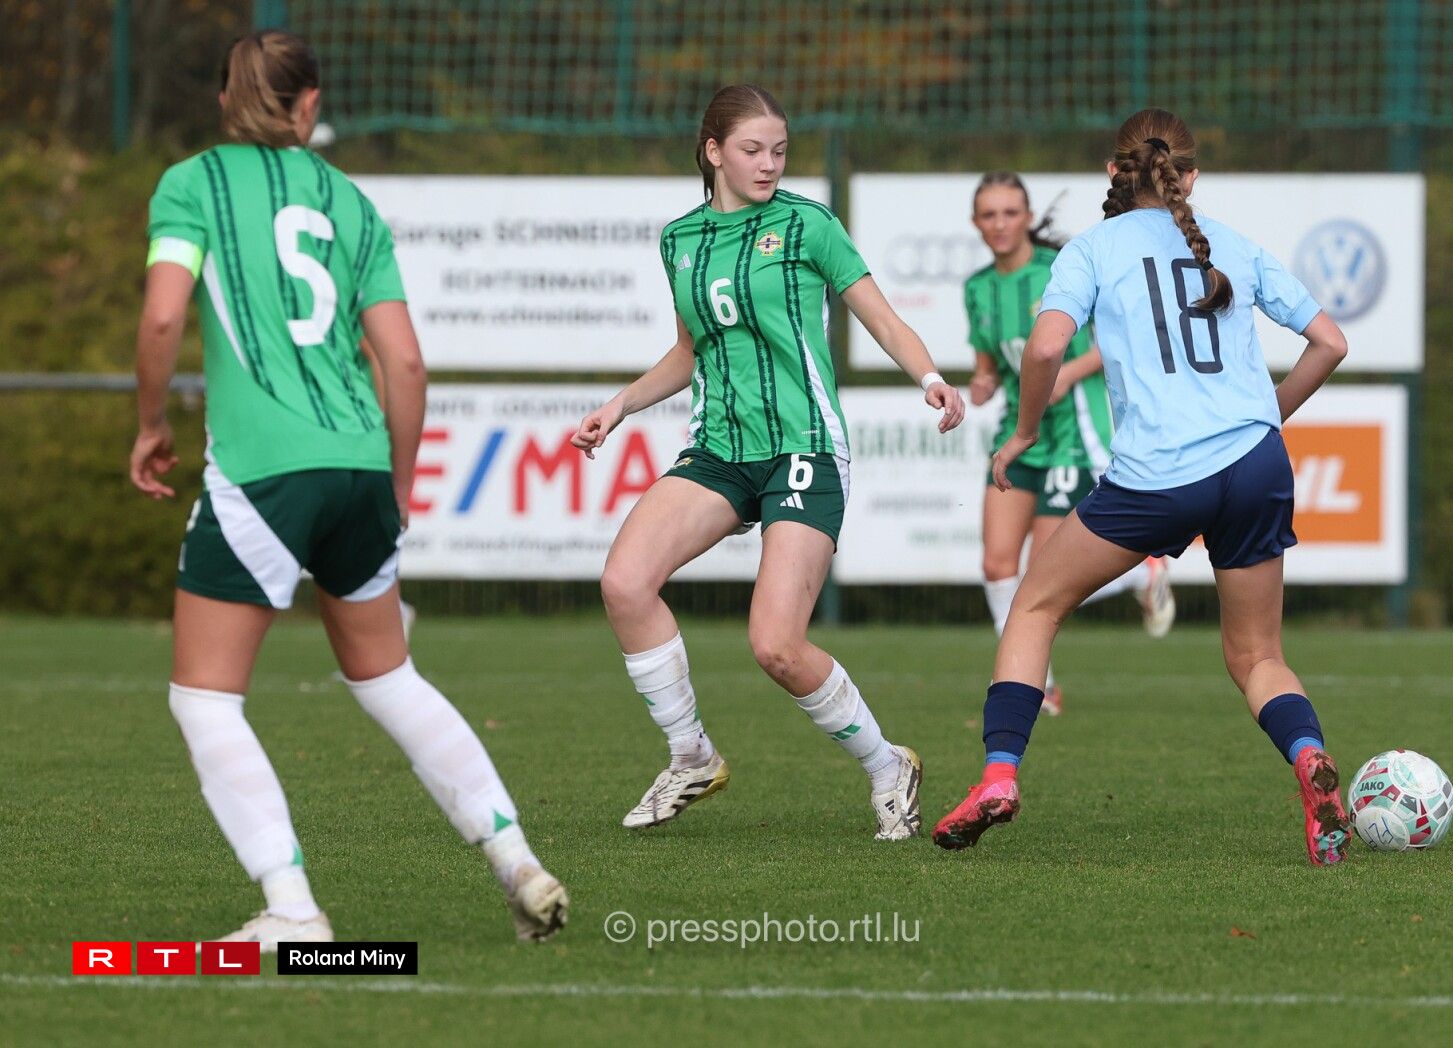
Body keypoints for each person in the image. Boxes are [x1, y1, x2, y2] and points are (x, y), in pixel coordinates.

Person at [130, 31, 566, 949]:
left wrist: (152, 423)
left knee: (204, 698)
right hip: (362, 461)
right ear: (310, 104)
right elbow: (404, 362)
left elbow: (164, 314)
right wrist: (397, 483)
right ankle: (517, 859)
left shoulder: (193, 183)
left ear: (225, 100)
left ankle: (293, 910)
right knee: (390, 677)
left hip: (263, 470)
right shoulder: (352, 203)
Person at [932, 109, 1353, 865]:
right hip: (1256, 463)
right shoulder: (1233, 243)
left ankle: (998, 777)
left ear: (1113, 173)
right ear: (1190, 175)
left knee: (1034, 604)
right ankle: (1308, 755)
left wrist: (1023, 433)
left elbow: (1046, 348)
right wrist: (1265, 419)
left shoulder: (1094, 248)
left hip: (1160, 473)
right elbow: (1330, 343)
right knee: (1257, 654)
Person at [573, 84, 965, 840]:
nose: (769, 163)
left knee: (776, 646)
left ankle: (888, 765)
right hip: (720, 450)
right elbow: (689, 351)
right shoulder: (680, 240)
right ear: (713, 151)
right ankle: (690, 755)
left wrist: (930, 378)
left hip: (803, 447)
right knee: (624, 582)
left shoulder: (807, 224)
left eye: (779, 150)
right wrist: (620, 405)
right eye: (752, 149)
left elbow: (882, 318)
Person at [964, 172, 1176, 716]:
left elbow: (1114, 340)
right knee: (997, 566)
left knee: (1043, 574)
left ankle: (1142, 573)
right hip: (1019, 434)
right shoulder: (978, 288)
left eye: (1010, 212)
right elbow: (989, 366)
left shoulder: (1060, 268)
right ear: (976, 223)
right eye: (989, 215)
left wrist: (1069, 372)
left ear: (1028, 217)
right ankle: (1042, 686)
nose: (1000, 224)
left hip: (1072, 436)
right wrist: (981, 383)